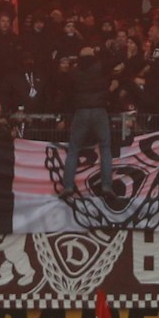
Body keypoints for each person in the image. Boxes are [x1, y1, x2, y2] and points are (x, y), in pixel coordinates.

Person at [62, 46, 115, 203]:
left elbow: (68, 93)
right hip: (99, 111)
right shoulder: (101, 68)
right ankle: (106, 186)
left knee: (73, 150)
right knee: (105, 148)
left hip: (81, 111)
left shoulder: (74, 72)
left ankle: (68, 186)